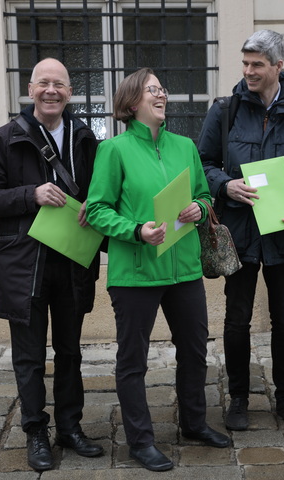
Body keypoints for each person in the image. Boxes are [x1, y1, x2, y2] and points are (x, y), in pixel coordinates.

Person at [86, 67, 230, 472]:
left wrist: (199, 209)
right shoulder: (113, 151)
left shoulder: (185, 146)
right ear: (132, 104)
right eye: (152, 90)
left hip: (183, 269)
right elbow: (97, 209)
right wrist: (135, 230)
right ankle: (141, 441)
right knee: (133, 361)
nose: (161, 94)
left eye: (162, 89)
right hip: (135, 274)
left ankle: (195, 423)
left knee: (195, 351)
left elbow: (204, 196)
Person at [0, 58, 104, 471]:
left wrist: (93, 210)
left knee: (69, 352)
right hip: (23, 264)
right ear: (30, 90)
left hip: (71, 261)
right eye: (44, 83)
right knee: (28, 357)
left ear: (69, 92)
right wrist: (30, 194)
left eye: (60, 84)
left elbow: (98, 193)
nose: (52, 91)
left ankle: (70, 427)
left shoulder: (85, 138)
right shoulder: (6, 137)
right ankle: (35, 433)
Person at [197, 30, 284, 432]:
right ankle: (239, 397)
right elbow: (202, 163)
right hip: (238, 233)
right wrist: (225, 184)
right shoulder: (226, 110)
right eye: (245, 63)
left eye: (257, 64)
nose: (248, 71)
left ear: (278, 66)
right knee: (237, 319)